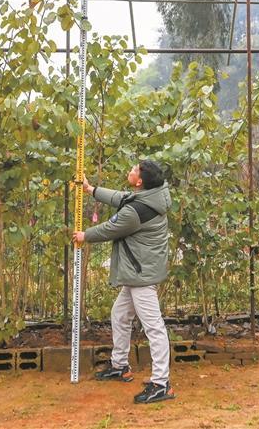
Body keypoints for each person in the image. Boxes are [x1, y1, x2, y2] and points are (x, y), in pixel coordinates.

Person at [73, 160, 175, 404]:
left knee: (154, 328)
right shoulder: (152, 195)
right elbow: (122, 197)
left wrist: (84, 235)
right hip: (138, 269)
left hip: (141, 274)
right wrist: (91, 190)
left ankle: (161, 383)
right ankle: (120, 366)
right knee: (119, 315)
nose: (129, 170)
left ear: (139, 181)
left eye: (133, 169)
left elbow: (111, 228)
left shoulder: (136, 212)